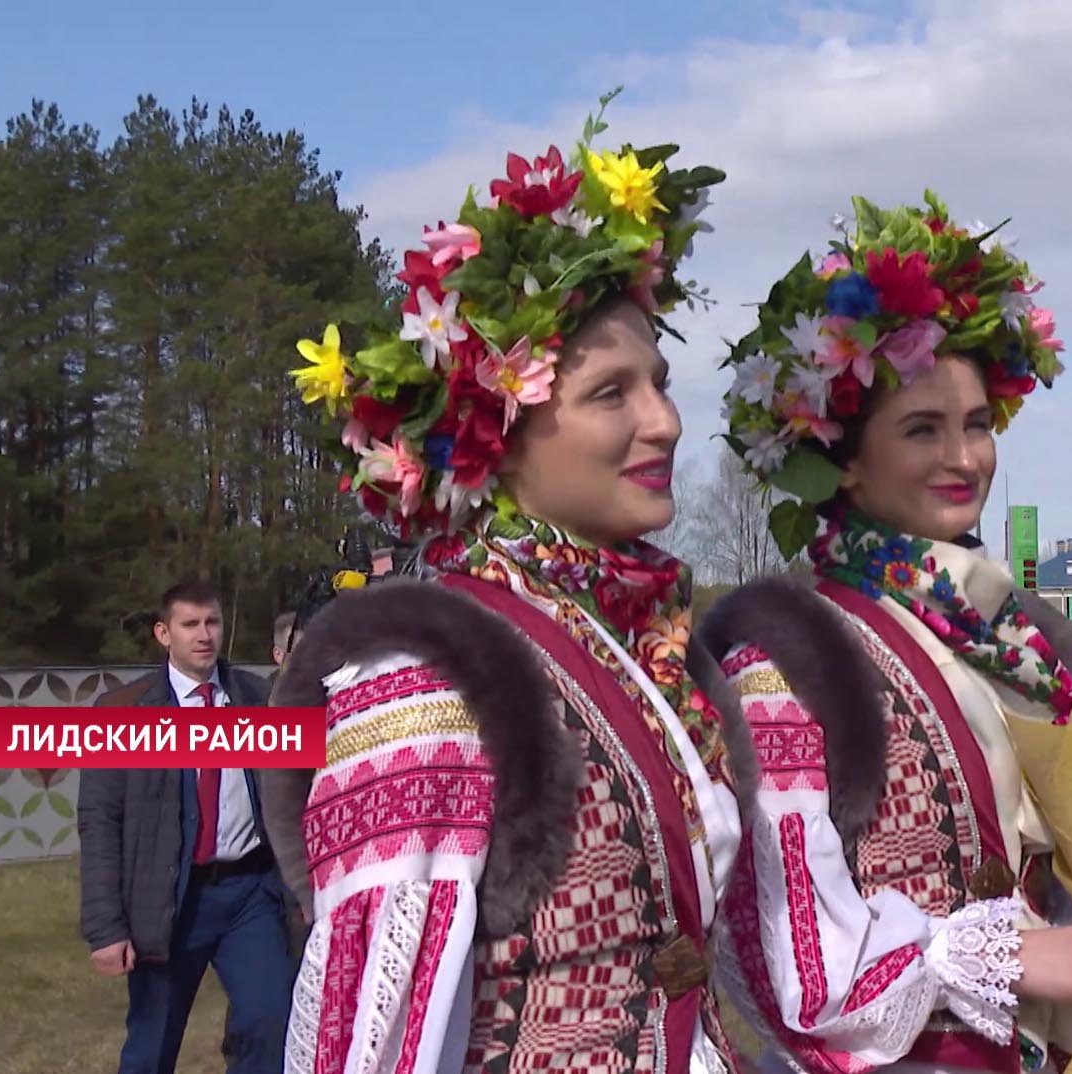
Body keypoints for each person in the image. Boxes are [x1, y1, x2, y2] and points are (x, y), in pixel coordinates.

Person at [260, 103, 748, 1074]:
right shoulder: (432, 680)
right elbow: (370, 1043)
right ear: (500, 432)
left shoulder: (628, 642)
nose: (662, 422)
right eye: (611, 393)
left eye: (659, 382)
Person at [700, 196, 1072, 1074]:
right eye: (922, 429)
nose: (964, 460)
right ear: (841, 454)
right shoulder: (787, 662)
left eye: (976, 426)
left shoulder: (1014, 643)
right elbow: (793, 964)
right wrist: (1009, 954)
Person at [77, 578, 293, 1074]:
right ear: (163, 633)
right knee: (153, 1045)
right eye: (190, 624)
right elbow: (100, 822)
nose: (204, 635)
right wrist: (105, 928)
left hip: (249, 895)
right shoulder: (121, 713)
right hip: (168, 902)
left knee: (269, 1022)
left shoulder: (260, 701)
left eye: (212, 622)